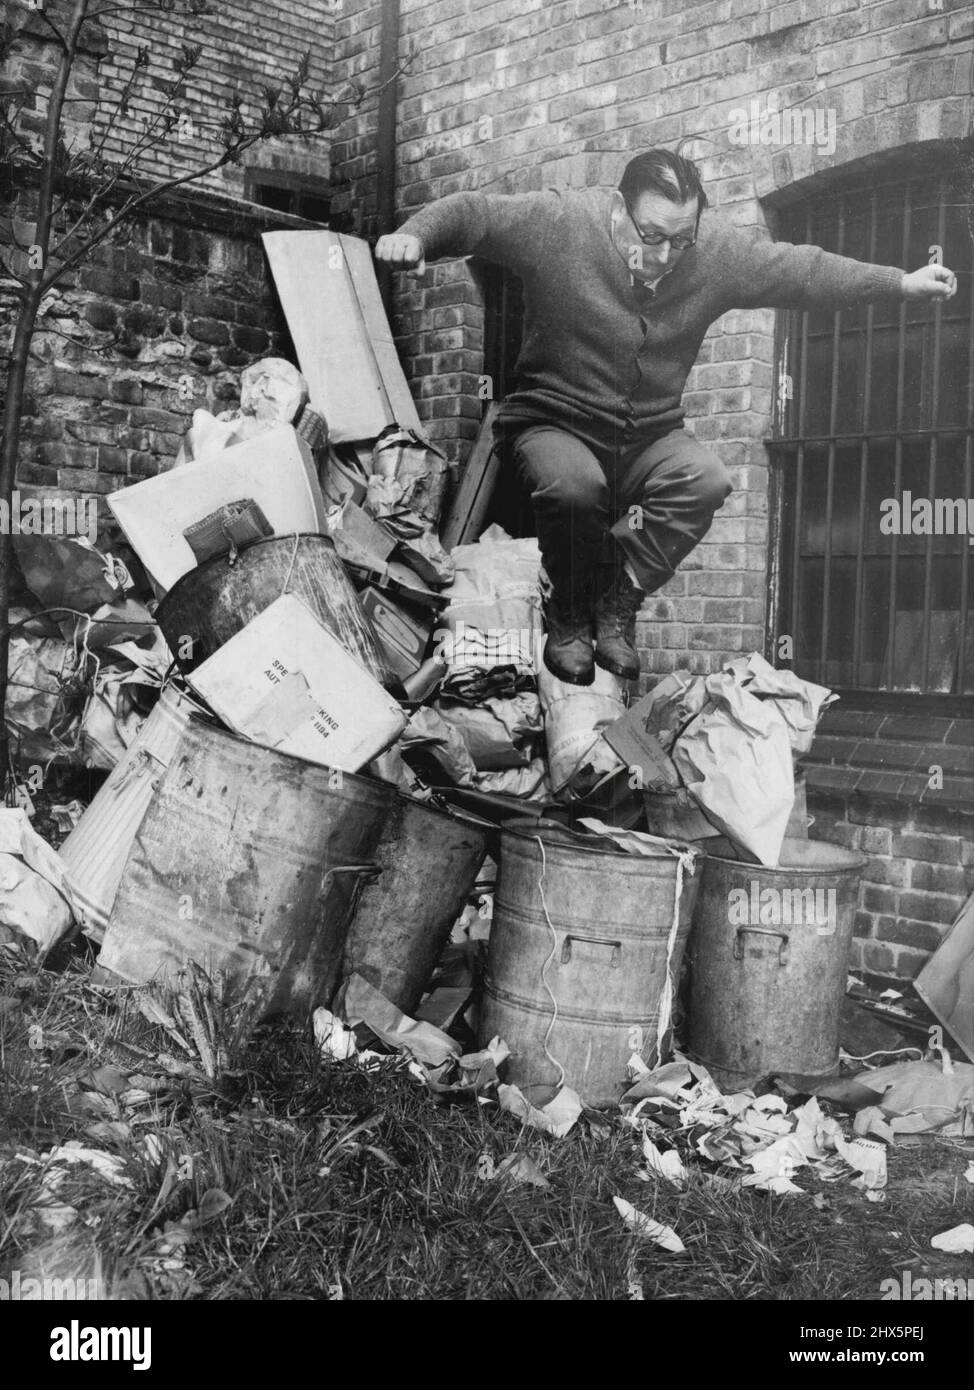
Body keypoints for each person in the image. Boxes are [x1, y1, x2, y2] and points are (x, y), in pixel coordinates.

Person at [375, 149, 957, 686]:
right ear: (618, 210)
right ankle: (570, 612)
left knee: (707, 480)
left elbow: (800, 271)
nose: (663, 256)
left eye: (681, 240)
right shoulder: (562, 223)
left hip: (646, 435)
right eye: (650, 236)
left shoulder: (715, 254)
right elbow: (477, 215)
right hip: (553, 419)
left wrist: (898, 282)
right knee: (577, 488)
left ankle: (615, 604)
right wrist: (416, 235)